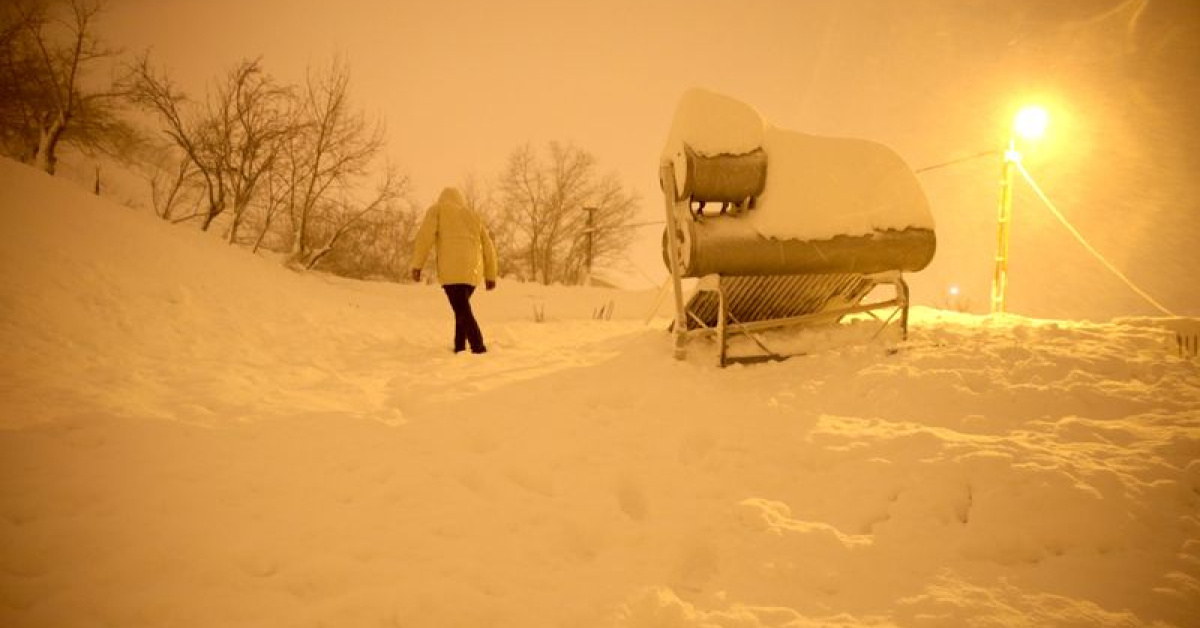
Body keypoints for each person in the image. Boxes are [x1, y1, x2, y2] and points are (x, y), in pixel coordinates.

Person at [410, 187, 498, 354]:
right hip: (473, 272)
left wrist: (417, 264)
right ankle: (459, 347)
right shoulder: (473, 216)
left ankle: (478, 347)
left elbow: (425, 236)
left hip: (452, 272)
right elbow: (489, 247)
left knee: (462, 309)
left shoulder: (438, 209)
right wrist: (490, 275)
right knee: (461, 308)